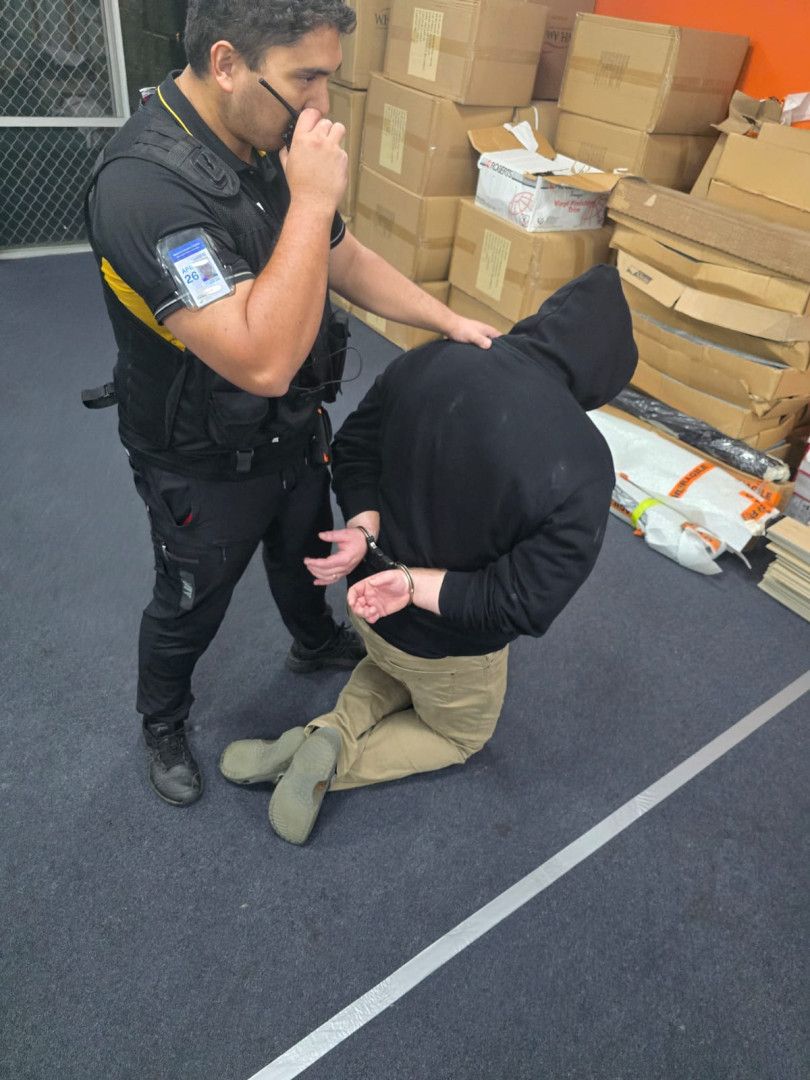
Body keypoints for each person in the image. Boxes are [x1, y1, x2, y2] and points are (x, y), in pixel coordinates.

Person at [84, 0, 499, 808]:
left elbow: (339, 255)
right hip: (197, 455)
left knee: (306, 552)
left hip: (293, 430)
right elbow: (262, 360)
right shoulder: (143, 186)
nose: (323, 108)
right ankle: (161, 720)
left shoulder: (262, 136)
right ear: (228, 63)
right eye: (306, 79)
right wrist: (310, 199)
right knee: (189, 603)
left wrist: (445, 318)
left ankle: (312, 643)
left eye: (331, 79)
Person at [219, 265, 638, 843]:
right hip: (449, 645)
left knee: (388, 665)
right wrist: (413, 585)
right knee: (459, 735)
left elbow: (354, 446)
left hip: (366, 601)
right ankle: (337, 764)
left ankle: (324, 733)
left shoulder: (435, 358)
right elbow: (518, 603)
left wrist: (365, 531)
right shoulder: (585, 466)